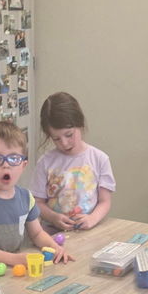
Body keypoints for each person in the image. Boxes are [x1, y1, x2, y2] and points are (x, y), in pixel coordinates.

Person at [0, 120, 72, 267]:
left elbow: (37, 234)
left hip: (13, 271)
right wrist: (13, 259)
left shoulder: (26, 198)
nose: (6, 165)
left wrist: (55, 248)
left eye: (13, 158)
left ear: (23, 165)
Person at [33, 91, 116, 231]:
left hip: (88, 232)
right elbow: (37, 202)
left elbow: (105, 201)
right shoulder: (45, 162)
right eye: (56, 139)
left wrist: (92, 219)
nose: (64, 143)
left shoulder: (99, 159)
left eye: (69, 135)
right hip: (52, 235)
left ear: (80, 124)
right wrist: (53, 217)